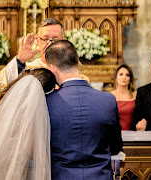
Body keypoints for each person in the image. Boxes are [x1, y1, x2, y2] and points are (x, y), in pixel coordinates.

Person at [45, 40, 123, 179]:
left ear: (53, 69)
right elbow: (116, 146)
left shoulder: (47, 102)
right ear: (77, 62)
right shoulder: (108, 100)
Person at [0, 17, 87, 94]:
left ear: (64, 42)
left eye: (55, 39)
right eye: (45, 38)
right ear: (37, 41)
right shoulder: (27, 70)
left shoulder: (72, 71)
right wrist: (19, 61)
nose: (49, 43)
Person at [111, 64, 137, 130]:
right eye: (121, 74)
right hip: (114, 135)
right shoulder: (109, 96)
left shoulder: (137, 95)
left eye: (127, 75)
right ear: (116, 77)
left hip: (133, 134)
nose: (124, 77)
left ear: (130, 78)